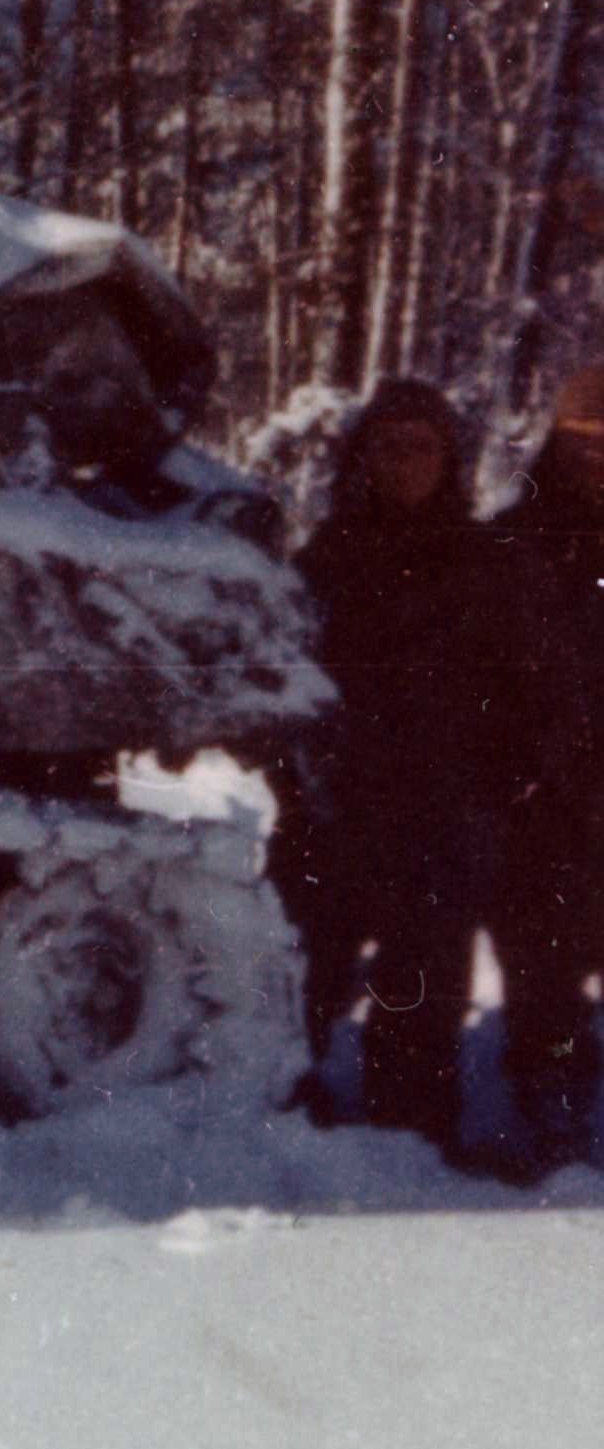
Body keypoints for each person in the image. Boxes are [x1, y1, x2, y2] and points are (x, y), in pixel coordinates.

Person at [284, 378, 510, 1150]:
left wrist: (489, 789)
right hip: (334, 806)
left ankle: (408, 1131)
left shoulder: (483, 562)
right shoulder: (325, 557)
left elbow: (514, 688)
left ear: (448, 458)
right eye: (389, 445)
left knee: (422, 981)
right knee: (303, 972)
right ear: (363, 457)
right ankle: (280, 1114)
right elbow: (287, 678)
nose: (405, 462)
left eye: (422, 446)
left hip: (440, 812)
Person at [484, 366, 604, 1170]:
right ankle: (551, 1106)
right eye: (583, 442)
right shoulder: (509, 543)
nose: (597, 459)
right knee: (546, 967)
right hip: (544, 794)